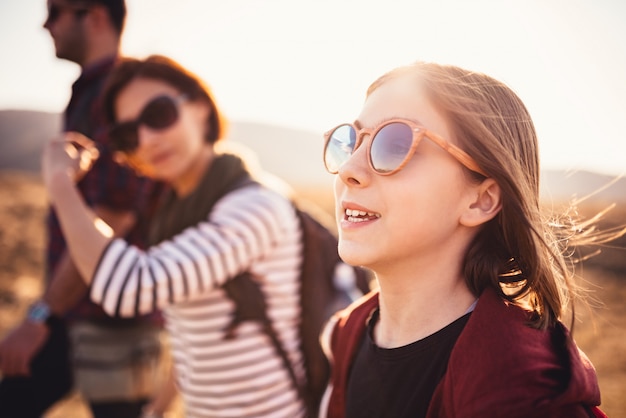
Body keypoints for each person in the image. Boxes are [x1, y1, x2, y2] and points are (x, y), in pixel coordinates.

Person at [318, 61, 611, 418]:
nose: (349, 170)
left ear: (481, 200)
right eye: (351, 142)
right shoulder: (345, 336)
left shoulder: (524, 392)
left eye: (394, 144)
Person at [41, 54, 309, 418]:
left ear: (200, 108)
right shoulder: (177, 215)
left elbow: (131, 286)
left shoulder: (255, 206)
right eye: (127, 135)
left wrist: (61, 184)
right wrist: (158, 407)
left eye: (159, 114)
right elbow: (195, 340)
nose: (147, 140)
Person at [0, 1, 164, 417]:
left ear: (93, 16)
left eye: (56, 12)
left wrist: (40, 316)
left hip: (108, 321)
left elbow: (113, 217)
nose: (44, 24)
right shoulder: (92, 92)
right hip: (83, 308)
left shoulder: (116, 96)